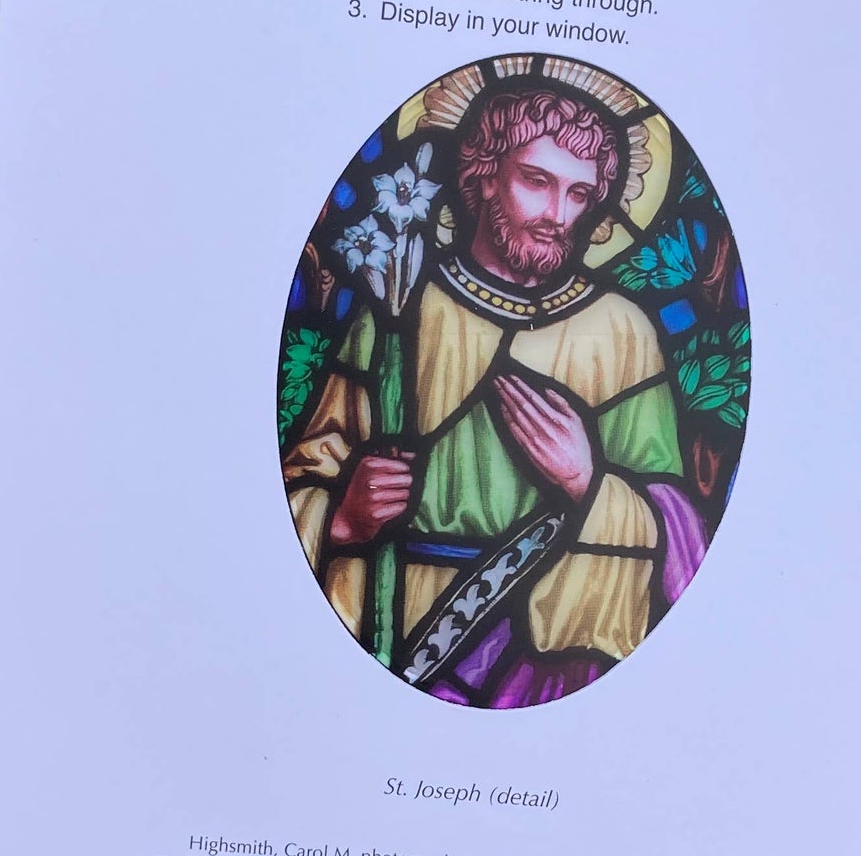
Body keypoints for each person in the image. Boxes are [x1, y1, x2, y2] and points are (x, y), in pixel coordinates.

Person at [283, 74, 709, 705]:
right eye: (537, 180)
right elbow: (296, 480)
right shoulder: (397, 309)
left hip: (543, 660)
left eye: (579, 193)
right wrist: (342, 519)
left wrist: (585, 481)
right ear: (484, 176)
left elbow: (681, 532)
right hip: (388, 626)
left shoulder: (622, 333)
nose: (557, 215)